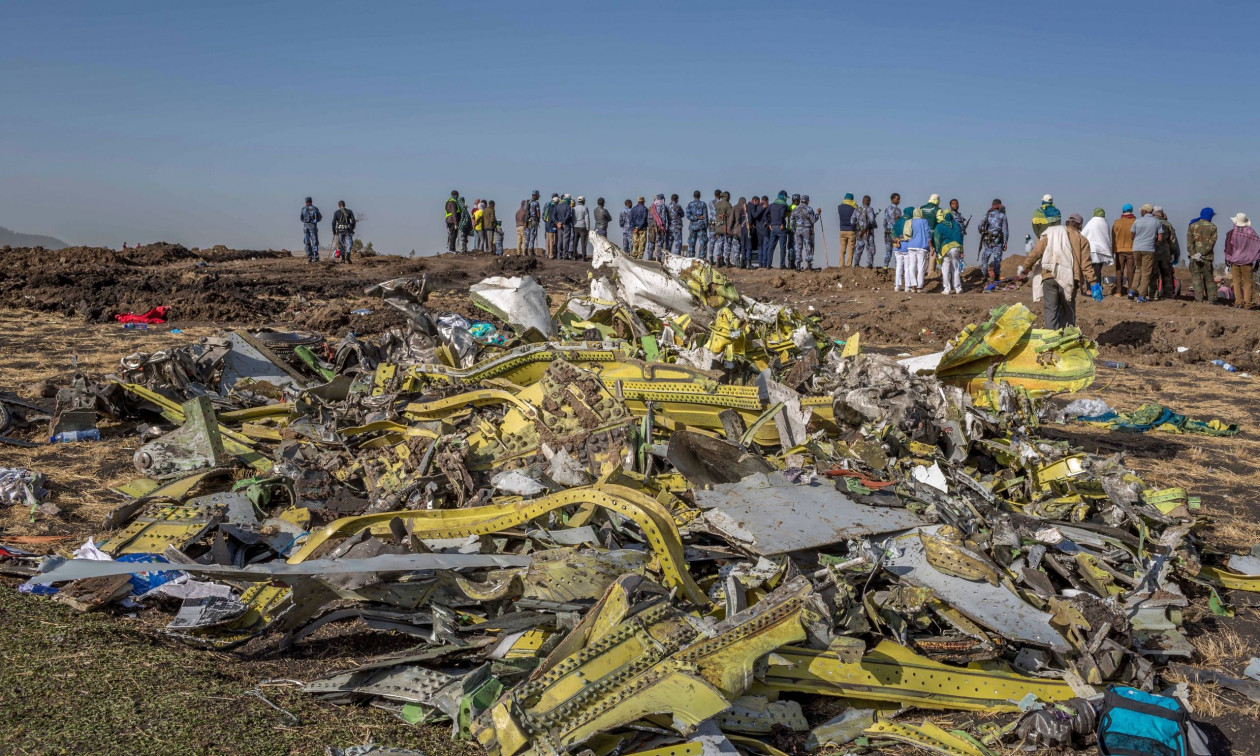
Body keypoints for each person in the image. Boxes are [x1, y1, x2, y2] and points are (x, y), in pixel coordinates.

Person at [1020, 213, 1103, 329]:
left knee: (1050, 310)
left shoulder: (1051, 233)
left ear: (1066, 223)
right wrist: (1093, 283)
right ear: (1079, 226)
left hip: (1049, 276)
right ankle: (1067, 340)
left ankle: (1052, 339)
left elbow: (1036, 252)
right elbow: (1086, 265)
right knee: (1068, 311)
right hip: (1069, 280)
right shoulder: (1082, 240)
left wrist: (1026, 267)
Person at [1224, 212, 1260, 309]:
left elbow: (1228, 248)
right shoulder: (1251, 233)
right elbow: (1258, 247)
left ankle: (1238, 302)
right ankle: (1248, 303)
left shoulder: (1232, 233)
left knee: (1236, 282)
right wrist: (1257, 262)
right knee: (1248, 282)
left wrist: (1227, 261)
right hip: (1248, 262)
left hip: (1235, 261)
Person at [1129, 204, 1163, 301]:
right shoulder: (1156, 222)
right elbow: (1160, 238)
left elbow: (1132, 236)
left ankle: (1132, 291)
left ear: (1144, 211)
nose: (1140, 212)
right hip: (1148, 249)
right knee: (1146, 273)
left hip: (1136, 248)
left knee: (1138, 269)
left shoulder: (1137, 221)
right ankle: (1142, 295)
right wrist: (1152, 240)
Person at [1186, 208, 1218, 303]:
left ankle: (1198, 299)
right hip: (1207, 258)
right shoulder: (1213, 227)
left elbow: (1189, 243)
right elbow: (1212, 243)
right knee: (1209, 279)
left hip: (1194, 258)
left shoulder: (1192, 226)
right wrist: (1202, 253)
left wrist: (1194, 254)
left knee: (1196, 278)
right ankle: (1212, 299)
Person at [977, 199, 1009, 284]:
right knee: (997, 258)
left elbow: (980, 226)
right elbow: (1005, 230)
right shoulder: (1002, 216)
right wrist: (1005, 242)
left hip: (988, 240)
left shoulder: (987, 214)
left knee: (985, 257)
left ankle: (984, 276)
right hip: (998, 240)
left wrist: (983, 233)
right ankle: (997, 276)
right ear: (999, 205)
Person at [933, 209, 964, 294]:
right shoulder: (956, 225)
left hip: (945, 249)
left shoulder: (939, 226)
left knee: (945, 270)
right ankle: (958, 288)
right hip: (955, 249)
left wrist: (937, 251)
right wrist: (961, 250)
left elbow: (937, 239)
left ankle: (947, 289)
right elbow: (960, 238)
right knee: (956, 269)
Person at [1081, 208, 1113, 285]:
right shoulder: (1105, 223)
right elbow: (1107, 237)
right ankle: (1097, 288)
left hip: (1090, 249)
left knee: (1089, 270)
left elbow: (1083, 235)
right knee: (1098, 271)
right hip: (1101, 250)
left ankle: (1089, 289)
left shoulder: (1091, 222)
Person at [1152, 207, 1179, 299]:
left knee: (1153, 275)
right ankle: (1168, 295)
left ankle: (1153, 294)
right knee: (1167, 274)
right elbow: (1173, 241)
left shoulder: (1151, 223)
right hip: (1165, 253)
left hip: (1153, 252)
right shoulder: (1168, 224)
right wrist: (1174, 253)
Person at [1111, 204, 1137, 296]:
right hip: (1132, 249)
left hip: (1119, 250)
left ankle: (1118, 291)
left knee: (1119, 271)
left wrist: (1113, 250)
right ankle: (1131, 291)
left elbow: (1113, 237)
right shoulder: (1136, 221)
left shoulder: (1117, 222)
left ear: (1123, 211)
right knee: (1131, 271)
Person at [906, 208, 931, 292]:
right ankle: (920, 287)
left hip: (911, 245)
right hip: (922, 246)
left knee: (911, 266)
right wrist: (931, 246)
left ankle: (913, 286)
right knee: (921, 267)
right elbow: (927, 234)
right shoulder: (924, 221)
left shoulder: (910, 221)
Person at [766, 191, 792, 269]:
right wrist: (782, 224)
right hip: (781, 228)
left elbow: (765, 215)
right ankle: (782, 265)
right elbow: (782, 215)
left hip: (773, 228)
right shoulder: (783, 206)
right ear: (783, 197)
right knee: (782, 247)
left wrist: (769, 224)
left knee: (771, 247)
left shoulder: (771, 205)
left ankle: (768, 265)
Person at [792, 195, 819, 271]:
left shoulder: (796, 209)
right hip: (807, 229)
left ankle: (798, 266)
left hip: (798, 229)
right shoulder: (809, 209)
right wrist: (818, 214)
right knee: (808, 246)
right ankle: (809, 266)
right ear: (807, 201)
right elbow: (813, 220)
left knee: (798, 247)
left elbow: (791, 220)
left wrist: (794, 230)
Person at [892, 207, 914, 291]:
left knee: (898, 267)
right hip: (906, 246)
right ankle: (907, 286)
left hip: (897, 247)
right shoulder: (910, 222)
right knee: (907, 267)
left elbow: (893, 234)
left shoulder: (898, 221)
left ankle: (897, 285)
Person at [852, 195, 878, 268]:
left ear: (862, 201)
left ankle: (856, 263)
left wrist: (858, 224)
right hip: (868, 232)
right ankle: (869, 264)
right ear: (869, 201)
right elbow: (872, 220)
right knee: (870, 248)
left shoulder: (857, 210)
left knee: (858, 248)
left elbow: (852, 221)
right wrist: (873, 225)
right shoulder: (870, 209)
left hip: (859, 233)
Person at [713, 191, 735, 266]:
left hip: (718, 227)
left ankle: (719, 259)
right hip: (725, 227)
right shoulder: (728, 205)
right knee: (727, 244)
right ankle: (727, 260)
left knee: (719, 243)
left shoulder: (716, 205)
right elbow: (731, 216)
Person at [685, 190, 708, 259]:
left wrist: (695, 217)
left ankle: (691, 257)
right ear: (700, 196)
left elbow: (688, 215)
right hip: (701, 226)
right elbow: (705, 216)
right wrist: (706, 226)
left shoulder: (690, 204)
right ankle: (702, 258)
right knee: (703, 243)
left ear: (693, 196)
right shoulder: (703, 204)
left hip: (692, 226)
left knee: (691, 243)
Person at [837, 193, 858, 266]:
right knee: (850, 249)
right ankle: (848, 265)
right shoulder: (854, 207)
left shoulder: (839, 207)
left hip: (842, 230)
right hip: (851, 230)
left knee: (842, 249)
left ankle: (841, 265)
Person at [882, 193, 902, 269]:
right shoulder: (898, 210)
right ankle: (898, 268)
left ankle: (885, 267)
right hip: (895, 234)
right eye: (897, 199)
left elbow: (884, 222)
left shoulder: (887, 209)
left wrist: (886, 230)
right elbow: (899, 223)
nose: (899, 201)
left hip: (887, 233)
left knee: (888, 251)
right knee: (896, 251)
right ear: (893, 199)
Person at [647, 194, 669, 261]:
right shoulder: (662, 206)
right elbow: (663, 218)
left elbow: (648, 219)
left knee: (651, 242)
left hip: (651, 227)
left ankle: (650, 257)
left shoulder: (651, 206)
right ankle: (658, 258)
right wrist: (663, 227)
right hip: (659, 227)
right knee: (659, 242)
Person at [300, 197, 323, 263]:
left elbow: (301, 218)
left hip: (306, 227)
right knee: (314, 241)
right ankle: (315, 256)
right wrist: (314, 221)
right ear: (311, 201)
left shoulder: (303, 209)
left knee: (307, 241)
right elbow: (320, 217)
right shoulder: (315, 208)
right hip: (313, 227)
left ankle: (309, 257)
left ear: (306, 202)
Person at [553, 195, 575, 259]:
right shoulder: (568, 206)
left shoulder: (557, 206)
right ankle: (565, 255)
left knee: (560, 240)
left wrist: (557, 222)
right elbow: (568, 215)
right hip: (566, 225)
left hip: (559, 225)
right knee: (566, 239)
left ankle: (559, 255)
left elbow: (553, 216)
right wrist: (562, 222)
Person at [747, 196, 765, 266]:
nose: (758, 204)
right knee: (750, 246)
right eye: (757, 202)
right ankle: (750, 263)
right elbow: (754, 215)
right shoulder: (752, 206)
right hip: (751, 228)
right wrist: (762, 208)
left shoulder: (747, 205)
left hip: (746, 227)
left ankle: (747, 262)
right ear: (755, 200)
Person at [573, 196, 591, 260]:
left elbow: (573, 218)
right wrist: (588, 227)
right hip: (583, 227)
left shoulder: (574, 208)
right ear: (583, 201)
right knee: (583, 243)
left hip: (575, 226)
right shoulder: (585, 208)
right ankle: (584, 257)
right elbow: (587, 219)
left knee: (575, 242)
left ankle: (575, 256)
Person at [733, 196, 749, 268]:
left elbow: (731, 220)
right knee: (744, 247)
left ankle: (736, 263)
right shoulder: (747, 208)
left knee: (736, 248)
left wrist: (730, 230)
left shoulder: (735, 207)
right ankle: (744, 261)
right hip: (745, 231)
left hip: (736, 231)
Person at [543, 194, 559, 258]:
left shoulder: (547, 205)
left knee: (548, 240)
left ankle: (547, 253)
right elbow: (554, 217)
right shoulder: (555, 207)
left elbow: (543, 216)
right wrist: (556, 223)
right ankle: (551, 254)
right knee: (552, 240)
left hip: (547, 225)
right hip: (552, 225)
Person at [525, 190, 541, 256]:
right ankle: (531, 251)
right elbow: (538, 213)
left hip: (527, 221)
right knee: (532, 236)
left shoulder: (527, 202)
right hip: (533, 221)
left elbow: (525, 212)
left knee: (527, 237)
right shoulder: (536, 203)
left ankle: (525, 251)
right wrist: (538, 221)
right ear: (536, 195)